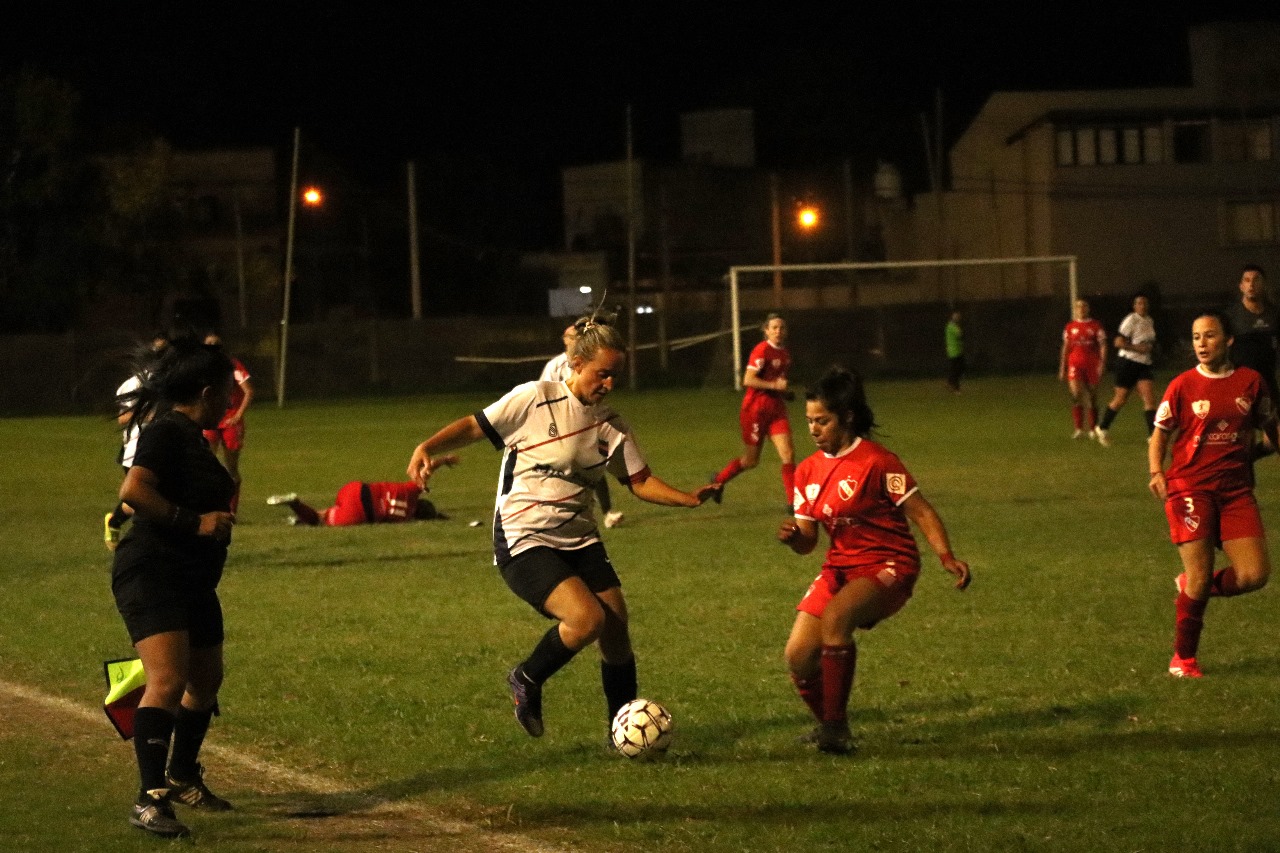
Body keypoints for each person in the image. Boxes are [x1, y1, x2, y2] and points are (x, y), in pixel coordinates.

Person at [406, 316, 722, 741]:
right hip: (524, 536)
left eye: (615, 375)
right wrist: (427, 446)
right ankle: (526, 678)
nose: (609, 383)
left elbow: (639, 481)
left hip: (580, 538)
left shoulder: (612, 426)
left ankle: (622, 734)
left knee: (616, 631)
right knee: (586, 619)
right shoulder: (534, 399)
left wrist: (687, 498)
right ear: (576, 363)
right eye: (602, 373)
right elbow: (474, 426)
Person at [777, 366, 971, 755]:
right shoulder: (807, 471)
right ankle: (830, 724)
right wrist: (795, 538)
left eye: (822, 420)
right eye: (809, 421)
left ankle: (835, 730)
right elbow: (809, 543)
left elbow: (921, 511)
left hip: (889, 564)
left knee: (836, 619)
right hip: (840, 567)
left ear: (847, 417)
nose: (813, 429)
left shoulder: (878, 461)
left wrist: (946, 556)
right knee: (798, 656)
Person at [110, 336, 238, 838]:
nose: (230, 401)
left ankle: (182, 775)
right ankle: (150, 799)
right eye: (226, 392)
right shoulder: (166, 430)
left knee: (205, 682)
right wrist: (195, 522)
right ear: (207, 392)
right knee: (167, 681)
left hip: (193, 577)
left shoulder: (193, 437)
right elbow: (133, 491)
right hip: (153, 570)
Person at [1149, 312, 1276, 679]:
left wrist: (1264, 450)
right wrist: (1156, 472)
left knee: (1254, 575)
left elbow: (1269, 428)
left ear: (1228, 340)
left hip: (1236, 491)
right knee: (1201, 576)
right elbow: (1160, 435)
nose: (1201, 344)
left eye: (1209, 336)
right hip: (1190, 488)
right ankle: (1183, 659)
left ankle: (1190, 587)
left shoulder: (1251, 382)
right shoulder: (1183, 385)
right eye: (1196, 337)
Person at [542, 322, 624, 529]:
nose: (575, 340)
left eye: (577, 336)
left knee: (594, 465)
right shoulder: (555, 366)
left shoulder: (591, 360)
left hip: (587, 421)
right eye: (571, 337)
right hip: (560, 424)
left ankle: (607, 512)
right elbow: (545, 395)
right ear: (565, 341)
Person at [712, 313, 796, 505]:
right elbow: (748, 380)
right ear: (766, 331)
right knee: (751, 461)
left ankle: (793, 503)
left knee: (788, 454)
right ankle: (718, 480)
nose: (778, 331)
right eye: (774, 328)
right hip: (755, 411)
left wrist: (785, 393)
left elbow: (777, 382)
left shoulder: (785, 354)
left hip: (776, 410)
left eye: (781, 328)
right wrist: (774, 386)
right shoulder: (762, 350)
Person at [105, 332, 168, 549]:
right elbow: (122, 418)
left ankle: (116, 522)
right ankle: (132, 538)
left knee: (151, 500)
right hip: (136, 449)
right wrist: (149, 415)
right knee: (145, 500)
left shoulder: (170, 381)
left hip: (163, 447)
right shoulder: (133, 385)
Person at [266, 469, 456, 526]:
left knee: (326, 513)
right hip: (360, 512)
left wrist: (443, 461)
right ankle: (295, 505)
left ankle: (299, 517)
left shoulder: (411, 490)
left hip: (355, 489)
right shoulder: (405, 518)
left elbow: (425, 474)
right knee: (319, 520)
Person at [1225, 264, 1279, 456]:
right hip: (1240, 386)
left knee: (1274, 441)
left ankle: (1246, 461)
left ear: (1264, 284)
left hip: (1268, 384)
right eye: (1247, 280)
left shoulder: (1274, 314)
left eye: (1256, 280)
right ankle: (1240, 467)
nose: (1251, 285)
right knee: (1242, 440)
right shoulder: (1231, 316)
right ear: (1241, 286)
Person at [1095, 294, 1158, 447]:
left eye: (1144, 303)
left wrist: (1150, 348)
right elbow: (1118, 342)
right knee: (1120, 399)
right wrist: (1137, 348)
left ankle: (1152, 437)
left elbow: (1148, 342)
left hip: (1143, 364)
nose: (1142, 305)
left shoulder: (1149, 320)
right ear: (1134, 306)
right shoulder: (1131, 320)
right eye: (1139, 303)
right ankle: (1102, 427)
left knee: (1149, 399)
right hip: (1127, 363)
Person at [201, 333, 252, 514]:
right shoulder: (202, 367)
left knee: (231, 469)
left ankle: (231, 511)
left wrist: (238, 414)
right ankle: (209, 507)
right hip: (210, 420)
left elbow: (248, 391)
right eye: (208, 345)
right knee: (205, 465)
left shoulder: (232, 365)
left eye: (215, 344)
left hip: (229, 421)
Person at [1058, 298, 1107, 440]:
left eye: (1084, 306)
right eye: (1079, 306)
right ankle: (1079, 428)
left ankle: (1093, 428)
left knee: (1092, 396)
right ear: (1075, 309)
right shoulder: (1070, 327)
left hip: (1092, 364)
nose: (1081, 309)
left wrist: (1102, 363)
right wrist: (1062, 366)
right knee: (1076, 394)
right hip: (1075, 364)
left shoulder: (1095, 325)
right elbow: (1066, 347)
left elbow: (1103, 345)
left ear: (1088, 309)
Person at [944, 309, 965, 394]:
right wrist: (959, 330)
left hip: (958, 350)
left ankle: (949, 382)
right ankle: (956, 388)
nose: (958, 317)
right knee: (956, 370)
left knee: (958, 369)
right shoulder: (951, 326)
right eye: (956, 316)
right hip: (953, 351)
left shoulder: (953, 326)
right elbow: (959, 334)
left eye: (958, 316)